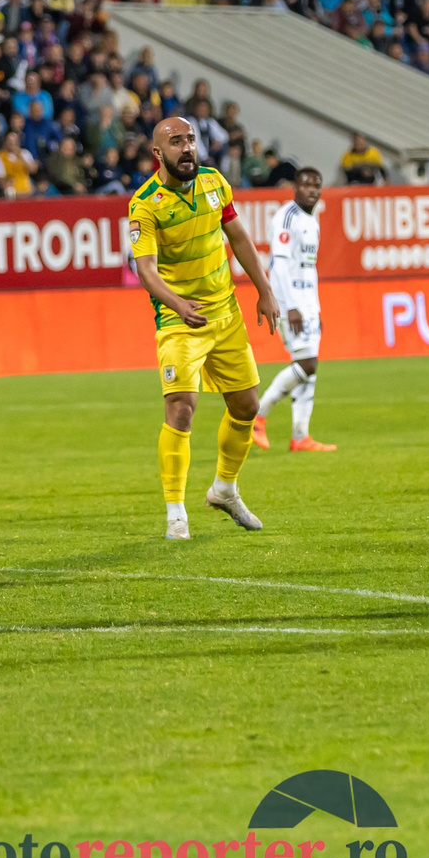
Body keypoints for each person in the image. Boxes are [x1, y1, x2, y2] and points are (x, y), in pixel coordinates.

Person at [128, 115, 284, 540]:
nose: (187, 148)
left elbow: (239, 239)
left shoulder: (215, 183)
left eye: (191, 139)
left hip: (225, 313)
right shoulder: (145, 203)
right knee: (181, 406)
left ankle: (224, 489)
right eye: (177, 142)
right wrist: (178, 304)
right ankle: (176, 511)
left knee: (247, 407)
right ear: (158, 153)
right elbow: (146, 271)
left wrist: (264, 290)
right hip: (179, 322)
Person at [251, 166, 334, 453]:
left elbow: (307, 269)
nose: (312, 190)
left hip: (307, 302)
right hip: (291, 301)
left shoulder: (312, 221)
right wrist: (292, 307)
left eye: (316, 185)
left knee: (310, 370)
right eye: (306, 185)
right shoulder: (286, 217)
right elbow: (279, 266)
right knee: (307, 364)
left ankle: (300, 436)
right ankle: (258, 416)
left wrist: (315, 308)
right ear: (295, 188)